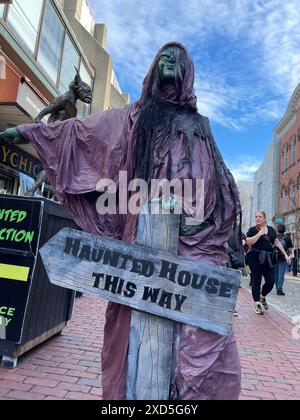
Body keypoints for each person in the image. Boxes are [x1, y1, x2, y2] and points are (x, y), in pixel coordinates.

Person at [0, 42, 241, 400]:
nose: (170, 61)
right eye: (163, 57)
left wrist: (196, 220)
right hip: (140, 241)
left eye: (177, 58)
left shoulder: (199, 126)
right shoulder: (135, 116)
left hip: (193, 244)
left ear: (188, 72)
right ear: (153, 68)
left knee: (200, 339)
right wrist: (32, 133)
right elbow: (90, 132)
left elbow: (219, 184)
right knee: (130, 336)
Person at [246, 211, 291, 315]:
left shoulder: (271, 229)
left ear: (265, 218)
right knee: (256, 280)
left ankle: (262, 296)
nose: (258, 219)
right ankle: (257, 303)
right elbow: (249, 242)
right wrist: (259, 234)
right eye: (256, 217)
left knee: (271, 281)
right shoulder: (252, 230)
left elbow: (276, 242)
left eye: (260, 217)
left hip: (268, 258)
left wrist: (285, 254)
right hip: (255, 258)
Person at [274, 224, 293, 295]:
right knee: (281, 274)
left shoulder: (275, 237)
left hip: (274, 257)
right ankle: (279, 289)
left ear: (278, 230)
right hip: (282, 257)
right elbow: (290, 249)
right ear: (284, 230)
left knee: (276, 273)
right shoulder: (287, 238)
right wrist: (287, 255)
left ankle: (277, 287)